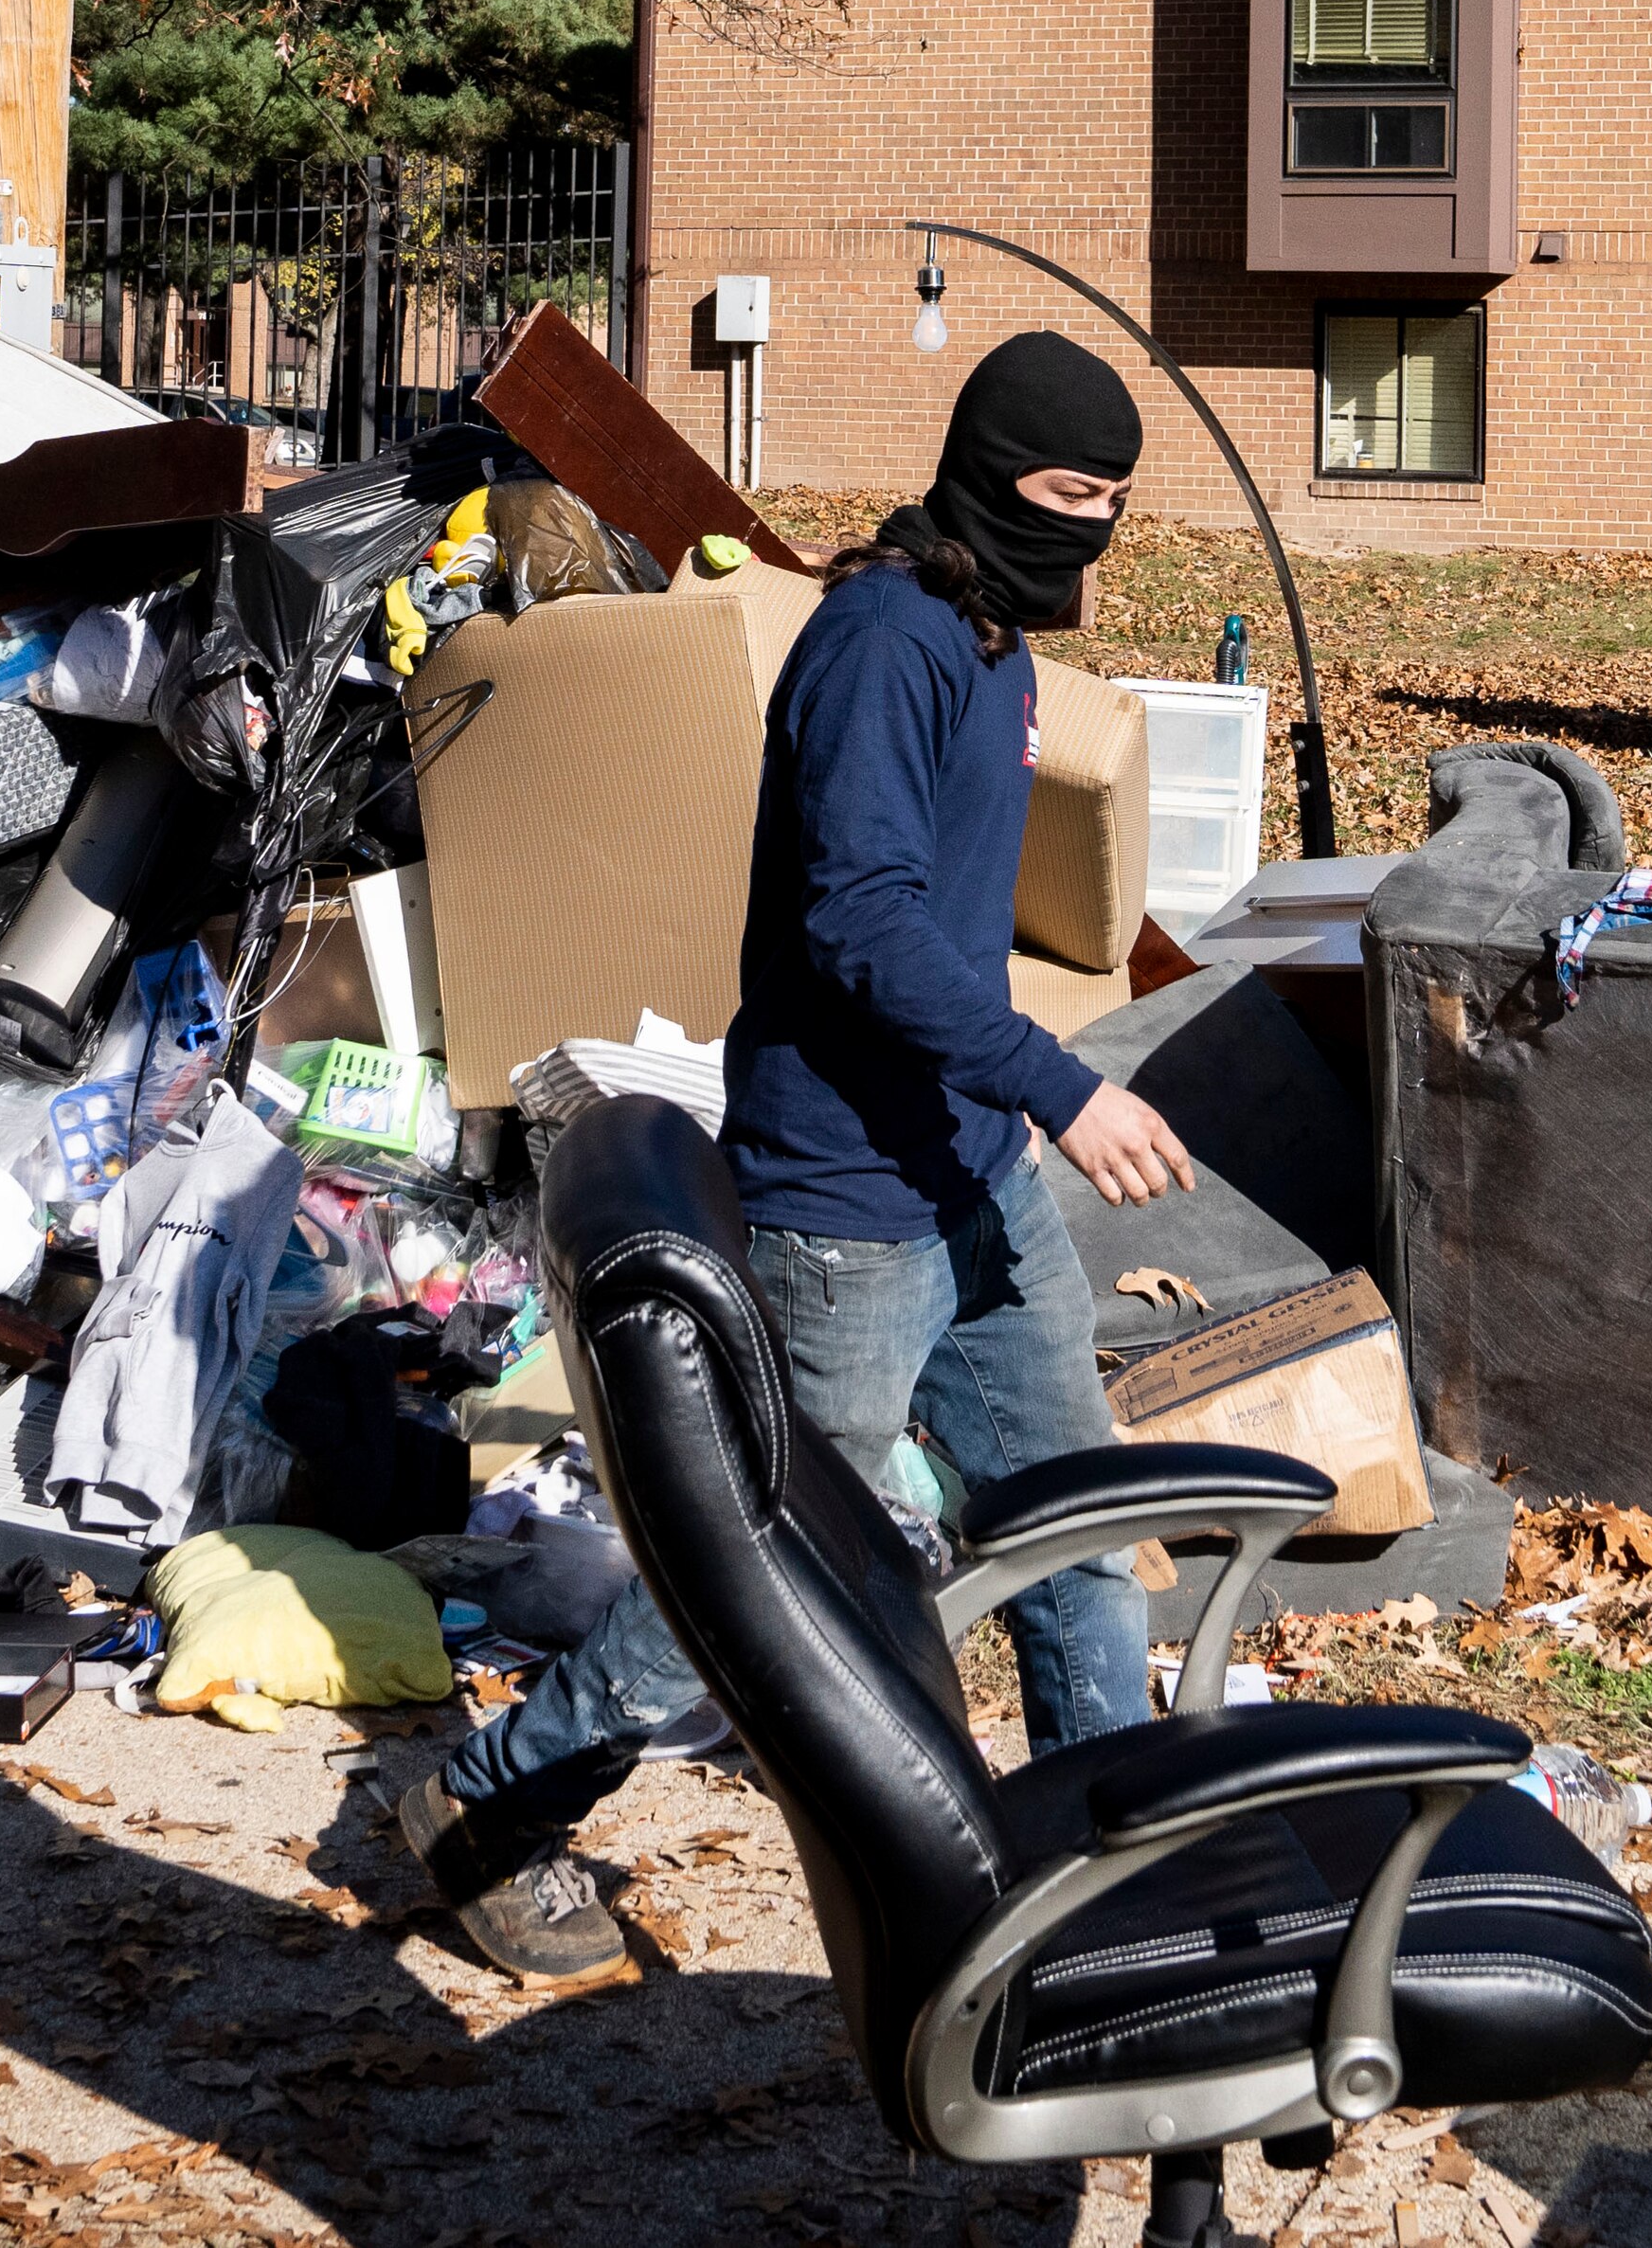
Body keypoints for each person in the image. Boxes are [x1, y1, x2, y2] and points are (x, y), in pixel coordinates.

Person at [393, 330, 1205, 1989]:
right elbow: (861, 925)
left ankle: (1103, 1886)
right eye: (1066, 498)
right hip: (848, 1210)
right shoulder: (879, 645)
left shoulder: (987, 641)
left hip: (972, 1181)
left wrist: (1013, 1102)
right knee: (756, 1582)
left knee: (1075, 1531)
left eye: (1115, 508)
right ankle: (484, 1805)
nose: (1089, 537)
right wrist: (1066, 1085)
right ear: (985, 473)